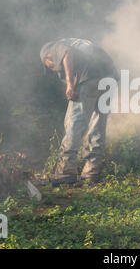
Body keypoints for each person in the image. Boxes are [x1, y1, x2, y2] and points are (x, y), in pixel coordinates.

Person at [40, 38, 119, 186]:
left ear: (47, 57)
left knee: (74, 123)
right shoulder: (78, 43)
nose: (54, 69)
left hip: (89, 77)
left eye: (49, 66)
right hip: (110, 78)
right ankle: (91, 171)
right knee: (98, 125)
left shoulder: (55, 47)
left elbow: (67, 54)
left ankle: (65, 171)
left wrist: (70, 84)